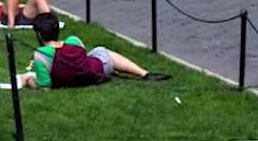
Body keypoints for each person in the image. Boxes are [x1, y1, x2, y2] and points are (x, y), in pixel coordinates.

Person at [21, 14, 166, 88]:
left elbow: (44, 85)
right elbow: (83, 58)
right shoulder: (73, 41)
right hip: (97, 72)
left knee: (99, 51)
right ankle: (143, 73)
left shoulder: (40, 55)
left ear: (39, 35)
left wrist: (29, 81)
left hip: (73, 79)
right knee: (101, 51)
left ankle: (138, 72)